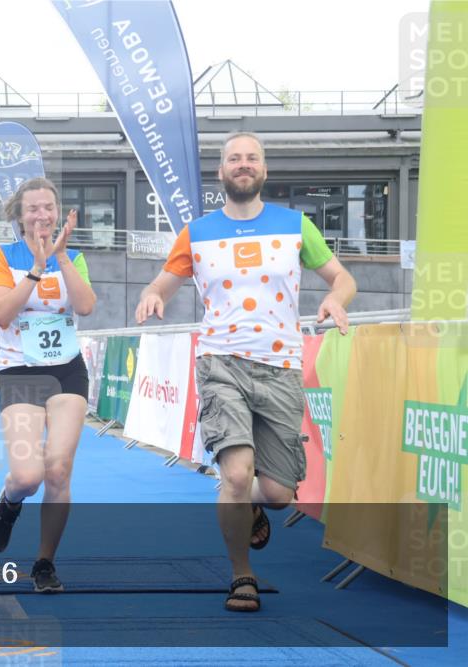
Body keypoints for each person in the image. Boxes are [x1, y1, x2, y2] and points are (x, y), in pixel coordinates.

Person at [135, 132, 357, 612]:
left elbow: (342, 277)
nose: (242, 164)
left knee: (278, 494)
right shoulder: (197, 232)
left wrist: (335, 298)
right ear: (221, 172)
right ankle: (242, 575)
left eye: (251, 158)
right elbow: (164, 281)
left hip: (279, 369)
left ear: (263, 170)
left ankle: (252, 503)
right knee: (235, 475)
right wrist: (154, 295)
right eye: (234, 158)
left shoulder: (295, 225)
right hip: (221, 363)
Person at [0, 177, 96, 593]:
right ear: (19, 215)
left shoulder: (75, 257)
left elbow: (85, 305)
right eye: (33, 209)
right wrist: (34, 269)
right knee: (28, 476)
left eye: (48, 207)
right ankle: (11, 501)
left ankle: (45, 562)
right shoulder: (3, 256)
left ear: (58, 213)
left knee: (59, 470)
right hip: (21, 370)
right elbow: (2, 315)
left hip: (67, 369)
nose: (42, 215)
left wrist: (61, 258)